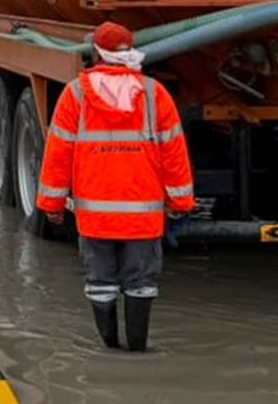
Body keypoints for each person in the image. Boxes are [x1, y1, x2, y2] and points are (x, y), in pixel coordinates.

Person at [37, 21, 195, 352]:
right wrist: (180, 201)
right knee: (141, 283)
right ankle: (138, 349)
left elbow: (58, 153)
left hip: (95, 217)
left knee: (100, 283)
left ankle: (108, 347)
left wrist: (51, 205)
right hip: (144, 216)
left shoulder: (75, 94)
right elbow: (174, 152)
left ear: (95, 53)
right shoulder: (154, 94)